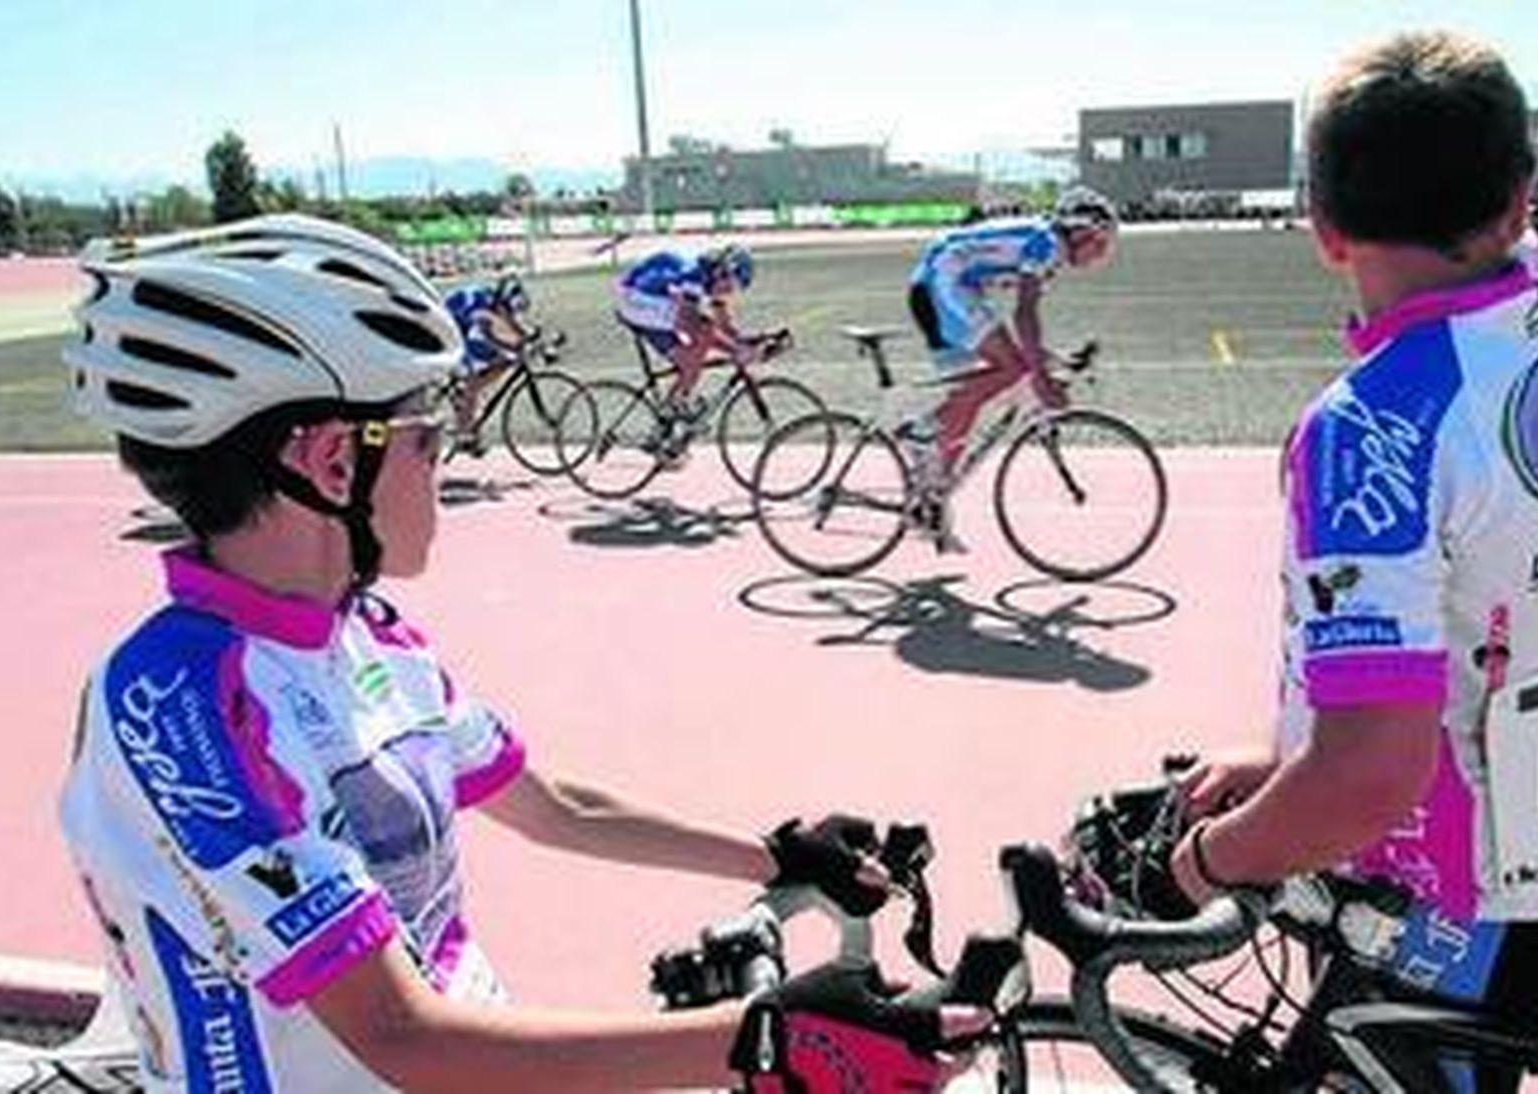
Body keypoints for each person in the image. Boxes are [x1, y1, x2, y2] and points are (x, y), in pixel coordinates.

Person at [57, 214, 970, 1090]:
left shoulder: (367, 634)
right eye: (430, 439)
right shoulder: (179, 704)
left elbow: (554, 807)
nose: (444, 463)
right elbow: (398, 1034)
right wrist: (758, 1042)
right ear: (335, 461)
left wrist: (776, 856)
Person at [1159, 31, 1538, 1093]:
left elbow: (1367, 774)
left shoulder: (1372, 428)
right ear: (1515, 201)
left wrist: (1210, 858)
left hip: (1447, 913)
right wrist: (1291, 759)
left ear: (1323, 225)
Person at [898, 188, 1118, 551]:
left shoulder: (1050, 247)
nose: (1103, 254)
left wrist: (1058, 360)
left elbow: (1025, 331)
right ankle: (920, 431)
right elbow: (1024, 316)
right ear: (1081, 232)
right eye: (1101, 243)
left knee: (967, 402)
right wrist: (1042, 379)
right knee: (1014, 368)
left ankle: (931, 503)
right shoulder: (1046, 243)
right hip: (943, 283)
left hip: (945, 285)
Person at [613, 242, 760, 427]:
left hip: (652, 294)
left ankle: (667, 423)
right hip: (635, 297)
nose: (729, 292)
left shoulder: (714, 274)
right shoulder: (694, 274)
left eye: (735, 289)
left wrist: (750, 342)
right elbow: (690, 324)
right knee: (699, 339)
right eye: (730, 285)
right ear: (722, 272)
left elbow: (725, 325)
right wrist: (735, 350)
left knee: (696, 350)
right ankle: (674, 404)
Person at [442, 271, 532, 456]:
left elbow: (513, 324)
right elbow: (489, 336)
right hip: (448, 334)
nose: (509, 314)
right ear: (502, 302)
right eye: (508, 309)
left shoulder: (495, 302)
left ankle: (466, 405)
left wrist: (529, 338)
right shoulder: (481, 304)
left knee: (505, 360)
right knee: (475, 378)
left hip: (459, 328)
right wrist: (516, 346)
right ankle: (464, 432)